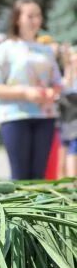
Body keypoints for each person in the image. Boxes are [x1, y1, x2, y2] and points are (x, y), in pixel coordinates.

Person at [0, 0, 62, 180]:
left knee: (39, 178)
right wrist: (25, 93)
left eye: (38, 15)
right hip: (15, 117)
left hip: (45, 117)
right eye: (30, 16)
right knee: (20, 178)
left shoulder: (46, 50)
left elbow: (57, 82)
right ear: (17, 18)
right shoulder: (6, 48)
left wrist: (53, 91)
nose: (36, 20)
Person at [58, 45, 77, 177]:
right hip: (67, 123)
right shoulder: (67, 79)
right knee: (66, 155)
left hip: (70, 122)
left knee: (70, 153)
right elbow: (66, 86)